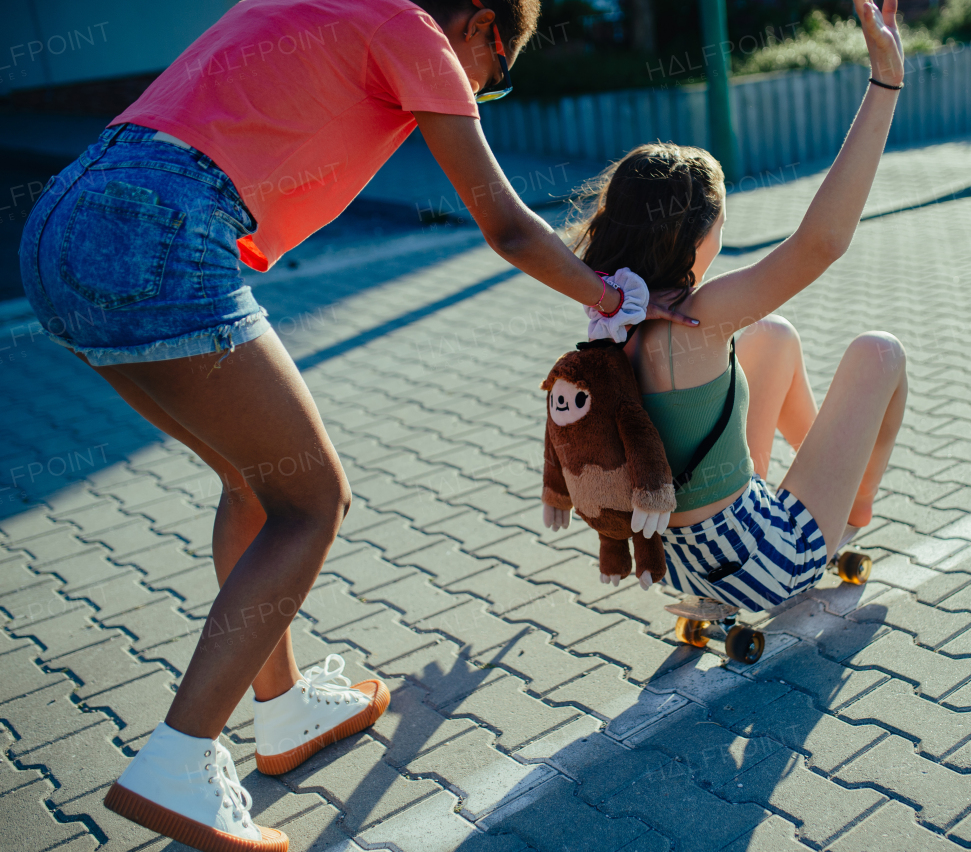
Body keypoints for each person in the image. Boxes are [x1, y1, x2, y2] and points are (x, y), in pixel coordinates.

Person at [18, 1, 691, 849]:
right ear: (482, 22)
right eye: (494, 70)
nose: (477, 91)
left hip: (61, 222)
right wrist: (613, 298)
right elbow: (508, 224)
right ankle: (178, 761)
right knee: (314, 499)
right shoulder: (412, 27)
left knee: (253, 480)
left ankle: (285, 707)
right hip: (160, 231)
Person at [547, 0, 908, 613]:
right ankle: (855, 506)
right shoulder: (704, 315)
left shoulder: (612, 316)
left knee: (773, 335)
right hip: (770, 561)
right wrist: (885, 82)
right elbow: (822, 243)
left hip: (686, 567)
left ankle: (797, 488)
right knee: (881, 353)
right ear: (698, 238)